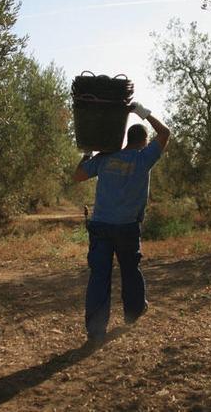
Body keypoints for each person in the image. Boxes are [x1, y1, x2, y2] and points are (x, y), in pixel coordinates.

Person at [73, 102, 171, 343]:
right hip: (127, 227)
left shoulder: (106, 158)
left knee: (99, 275)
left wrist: (88, 151)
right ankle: (133, 313)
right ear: (144, 141)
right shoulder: (144, 158)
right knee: (130, 271)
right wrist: (141, 112)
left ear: (127, 138)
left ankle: (96, 331)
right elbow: (166, 133)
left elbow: (77, 176)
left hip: (101, 226)